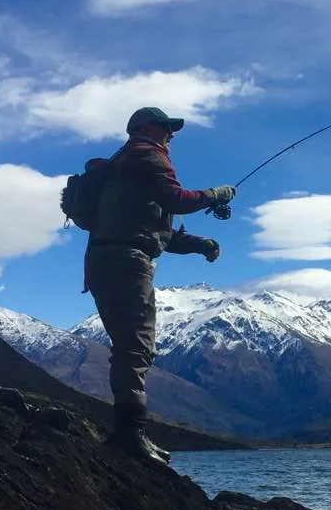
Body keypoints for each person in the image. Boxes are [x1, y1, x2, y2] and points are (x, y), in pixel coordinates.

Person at [86, 106, 235, 464]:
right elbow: (176, 201)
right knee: (136, 347)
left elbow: (155, 230)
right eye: (167, 127)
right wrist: (217, 194)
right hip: (127, 264)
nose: (172, 134)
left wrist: (199, 244)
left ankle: (128, 433)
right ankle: (130, 437)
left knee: (128, 345)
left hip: (104, 261)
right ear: (147, 128)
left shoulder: (122, 165)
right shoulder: (148, 157)